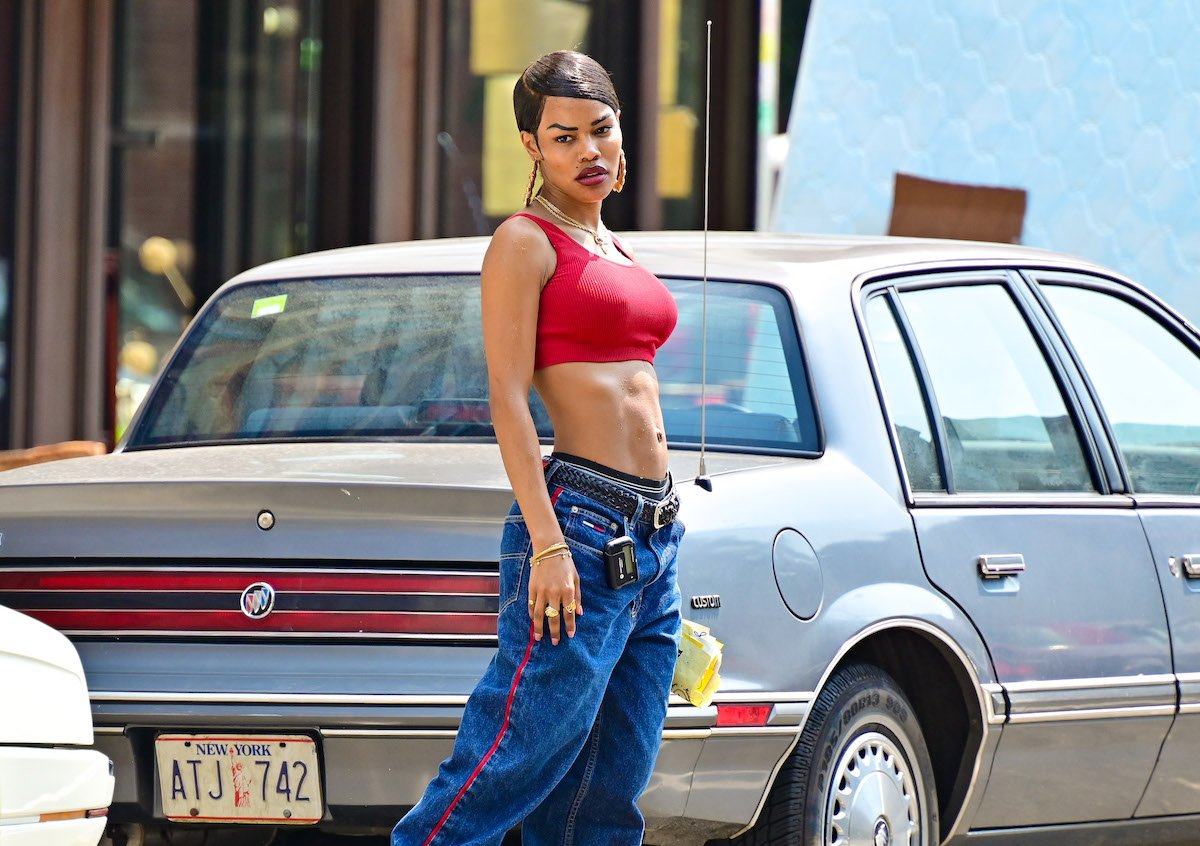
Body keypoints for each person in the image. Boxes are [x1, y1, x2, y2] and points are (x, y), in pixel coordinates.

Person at [391, 50, 684, 846]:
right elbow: (507, 398)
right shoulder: (525, 242)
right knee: (508, 762)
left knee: (605, 793)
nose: (589, 151)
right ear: (532, 148)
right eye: (565, 137)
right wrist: (550, 544)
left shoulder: (616, 248)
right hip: (580, 530)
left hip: (652, 538)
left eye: (602, 130)